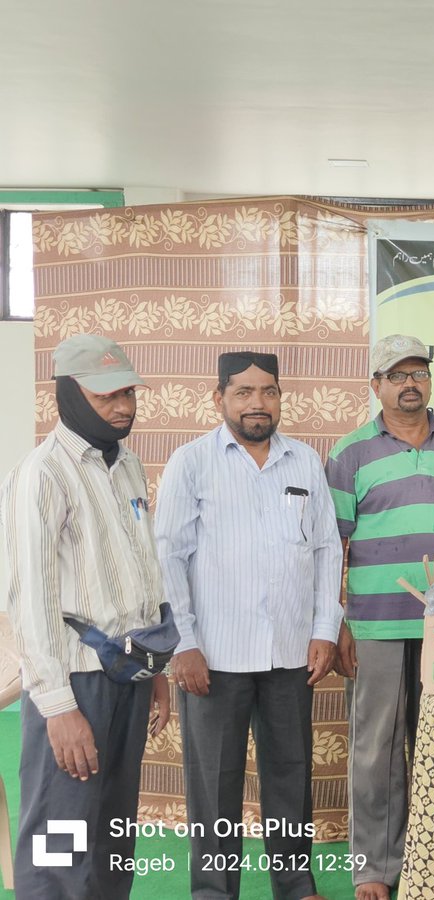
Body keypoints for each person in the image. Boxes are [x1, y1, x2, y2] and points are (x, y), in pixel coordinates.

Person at [155, 351, 342, 900]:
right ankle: (214, 891)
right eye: (243, 392)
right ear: (220, 399)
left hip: (290, 652)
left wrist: (325, 629)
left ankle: (294, 883)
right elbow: (168, 556)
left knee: (291, 773)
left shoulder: (305, 461)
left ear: (281, 397)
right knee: (214, 783)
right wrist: (183, 643)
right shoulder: (192, 461)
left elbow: (328, 549)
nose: (257, 403)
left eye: (268, 391)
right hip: (214, 655)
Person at [324, 334, 434, 900]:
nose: (409, 384)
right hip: (374, 622)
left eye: (418, 373)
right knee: (375, 748)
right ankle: (375, 867)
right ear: (376, 386)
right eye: (397, 375)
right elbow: (332, 548)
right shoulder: (350, 453)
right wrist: (339, 623)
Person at [1, 334, 171, 899]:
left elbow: (143, 572)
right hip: (74, 684)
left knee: (111, 841)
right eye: (107, 397)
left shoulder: (126, 465)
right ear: (69, 395)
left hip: (127, 676)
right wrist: (57, 708)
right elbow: (30, 601)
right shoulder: (41, 474)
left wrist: (157, 669)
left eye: (128, 393)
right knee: (61, 839)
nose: (123, 407)